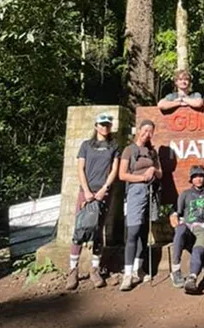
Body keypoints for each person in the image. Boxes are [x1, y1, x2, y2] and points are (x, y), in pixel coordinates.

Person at [66, 112, 120, 290]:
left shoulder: (114, 146)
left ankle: (94, 270)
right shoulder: (86, 146)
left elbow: (114, 170)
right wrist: (87, 191)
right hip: (86, 192)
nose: (105, 127)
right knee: (80, 229)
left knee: (98, 230)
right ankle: (72, 270)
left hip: (103, 193)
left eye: (108, 125)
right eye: (102, 124)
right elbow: (80, 168)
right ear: (96, 126)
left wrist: (104, 188)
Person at [118, 119, 163, 291]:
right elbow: (122, 175)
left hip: (151, 193)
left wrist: (153, 171)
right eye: (144, 131)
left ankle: (139, 269)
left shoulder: (152, 152)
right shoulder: (129, 150)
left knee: (144, 231)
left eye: (150, 132)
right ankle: (127, 274)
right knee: (133, 231)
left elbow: (160, 173)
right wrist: (141, 178)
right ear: (138, 131)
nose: (147, 134)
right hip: (136, 192)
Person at [169, 165, 204, 294]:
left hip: (203, 226)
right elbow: (176, 212)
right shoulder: (185, 194)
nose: (198, 179)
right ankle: (176, 270)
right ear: (191, 179)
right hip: (188, 226)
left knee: (199, 249)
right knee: (180, 229)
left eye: (200, 176)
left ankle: (192, 278)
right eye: (195, 176)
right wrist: (173, 216)